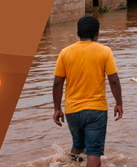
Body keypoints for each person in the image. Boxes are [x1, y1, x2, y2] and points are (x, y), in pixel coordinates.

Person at [52, 16, 124, 167]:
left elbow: (58, 82)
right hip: (96, 111)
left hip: (72, 111)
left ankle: (70, 164)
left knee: (78, 146)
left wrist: (57, 108)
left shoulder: (65, 52)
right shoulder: (104, 51)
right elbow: (114, 80)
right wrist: (119, 103)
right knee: (93, 152)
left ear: (77, 33)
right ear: (97, 34)